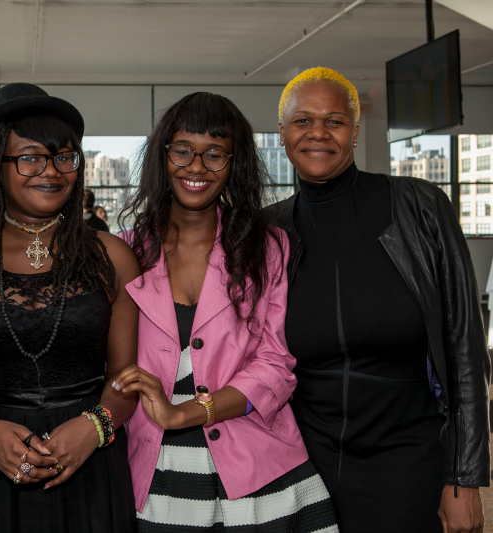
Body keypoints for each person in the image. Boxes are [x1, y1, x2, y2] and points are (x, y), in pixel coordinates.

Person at [266, 67, 490, 533]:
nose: (318, 133)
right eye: (303, 121)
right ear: (281, 132)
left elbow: (464, 348)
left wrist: (465, 478)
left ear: (355, 130)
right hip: (302, 457)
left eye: (334, 120)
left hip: (407, 455)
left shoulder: (419, 207)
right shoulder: (268, 230)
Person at [112, 92, 338, 532]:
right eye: (183, 151)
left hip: (257, 466)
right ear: (163, 155)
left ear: (235, 164)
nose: (196, 167)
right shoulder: (126, 250)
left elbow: (275, 364)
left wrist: (186, 413)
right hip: (155, 472)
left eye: (214, 154)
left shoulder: (268, 246)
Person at [0, 83, 141, 532]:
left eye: (64, 157)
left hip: (91, 456)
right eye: (30, 157)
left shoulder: (111, 255)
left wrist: (94, 427)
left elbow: (127, 376)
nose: (51, 171)